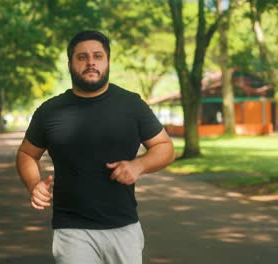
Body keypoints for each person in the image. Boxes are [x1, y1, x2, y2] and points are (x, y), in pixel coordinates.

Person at [16, 30, 175, 264]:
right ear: (70, 63)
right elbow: (27, 154)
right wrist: (33, 184)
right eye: (82, 57)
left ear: (107, 61)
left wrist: (139, 165)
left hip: (124, 227)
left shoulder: (131, 105)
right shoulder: (50, 111)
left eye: (98, 56)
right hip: (72, 229)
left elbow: (165, 147)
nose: (91, 62)